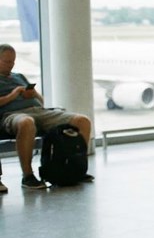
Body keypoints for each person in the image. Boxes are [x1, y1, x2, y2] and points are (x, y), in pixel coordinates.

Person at [0, 44, 93, 191]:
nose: (11, 65)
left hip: (39, 111)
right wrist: (14, 95)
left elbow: (42, 102)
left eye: (13, 61)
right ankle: (28, 176)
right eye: (7, 62)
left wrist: (33, 94)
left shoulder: (19, 77)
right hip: (12, 114)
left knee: (82, 121)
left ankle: (77, 168)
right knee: (26, 122)